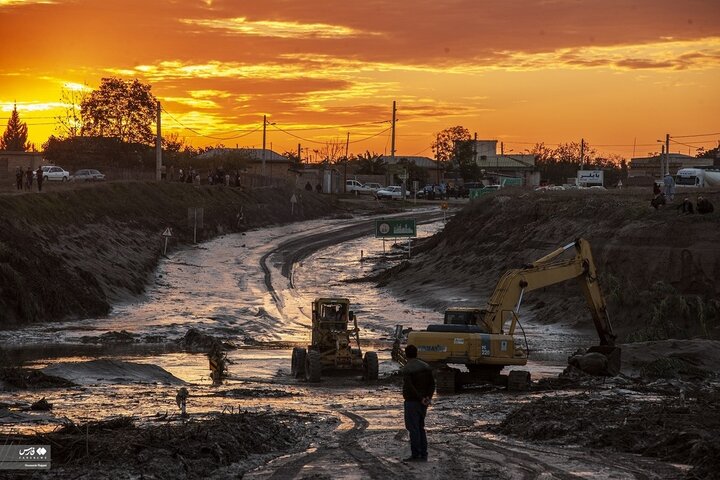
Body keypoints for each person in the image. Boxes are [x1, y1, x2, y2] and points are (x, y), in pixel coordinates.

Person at [400, 344, 435, 462]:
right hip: (423, 403)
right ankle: (423, 454)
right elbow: (432, 384)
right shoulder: (426, 366)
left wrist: (420, 398)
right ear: (416, 353)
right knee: (420, 427)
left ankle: (416, 455)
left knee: (413, 428)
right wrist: (428, 398)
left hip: (412, 402)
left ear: (406, 354)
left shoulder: (407, 369)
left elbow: (410, 387)